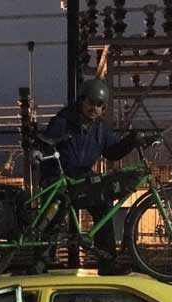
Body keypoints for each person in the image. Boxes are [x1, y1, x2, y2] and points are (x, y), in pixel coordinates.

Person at [41, 78, 138, 275]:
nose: (94, 108)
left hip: (83, 176)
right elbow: (46, 142)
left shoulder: (100, 129)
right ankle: (41, 261)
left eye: (99, 105)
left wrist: (131, 141)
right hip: (59, 174)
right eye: (91, 102)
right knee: (54, 214)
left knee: (103, 209)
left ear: (104, 108)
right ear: (82, 101)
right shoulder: (64, 120)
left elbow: (112, 152)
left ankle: (107, 263)